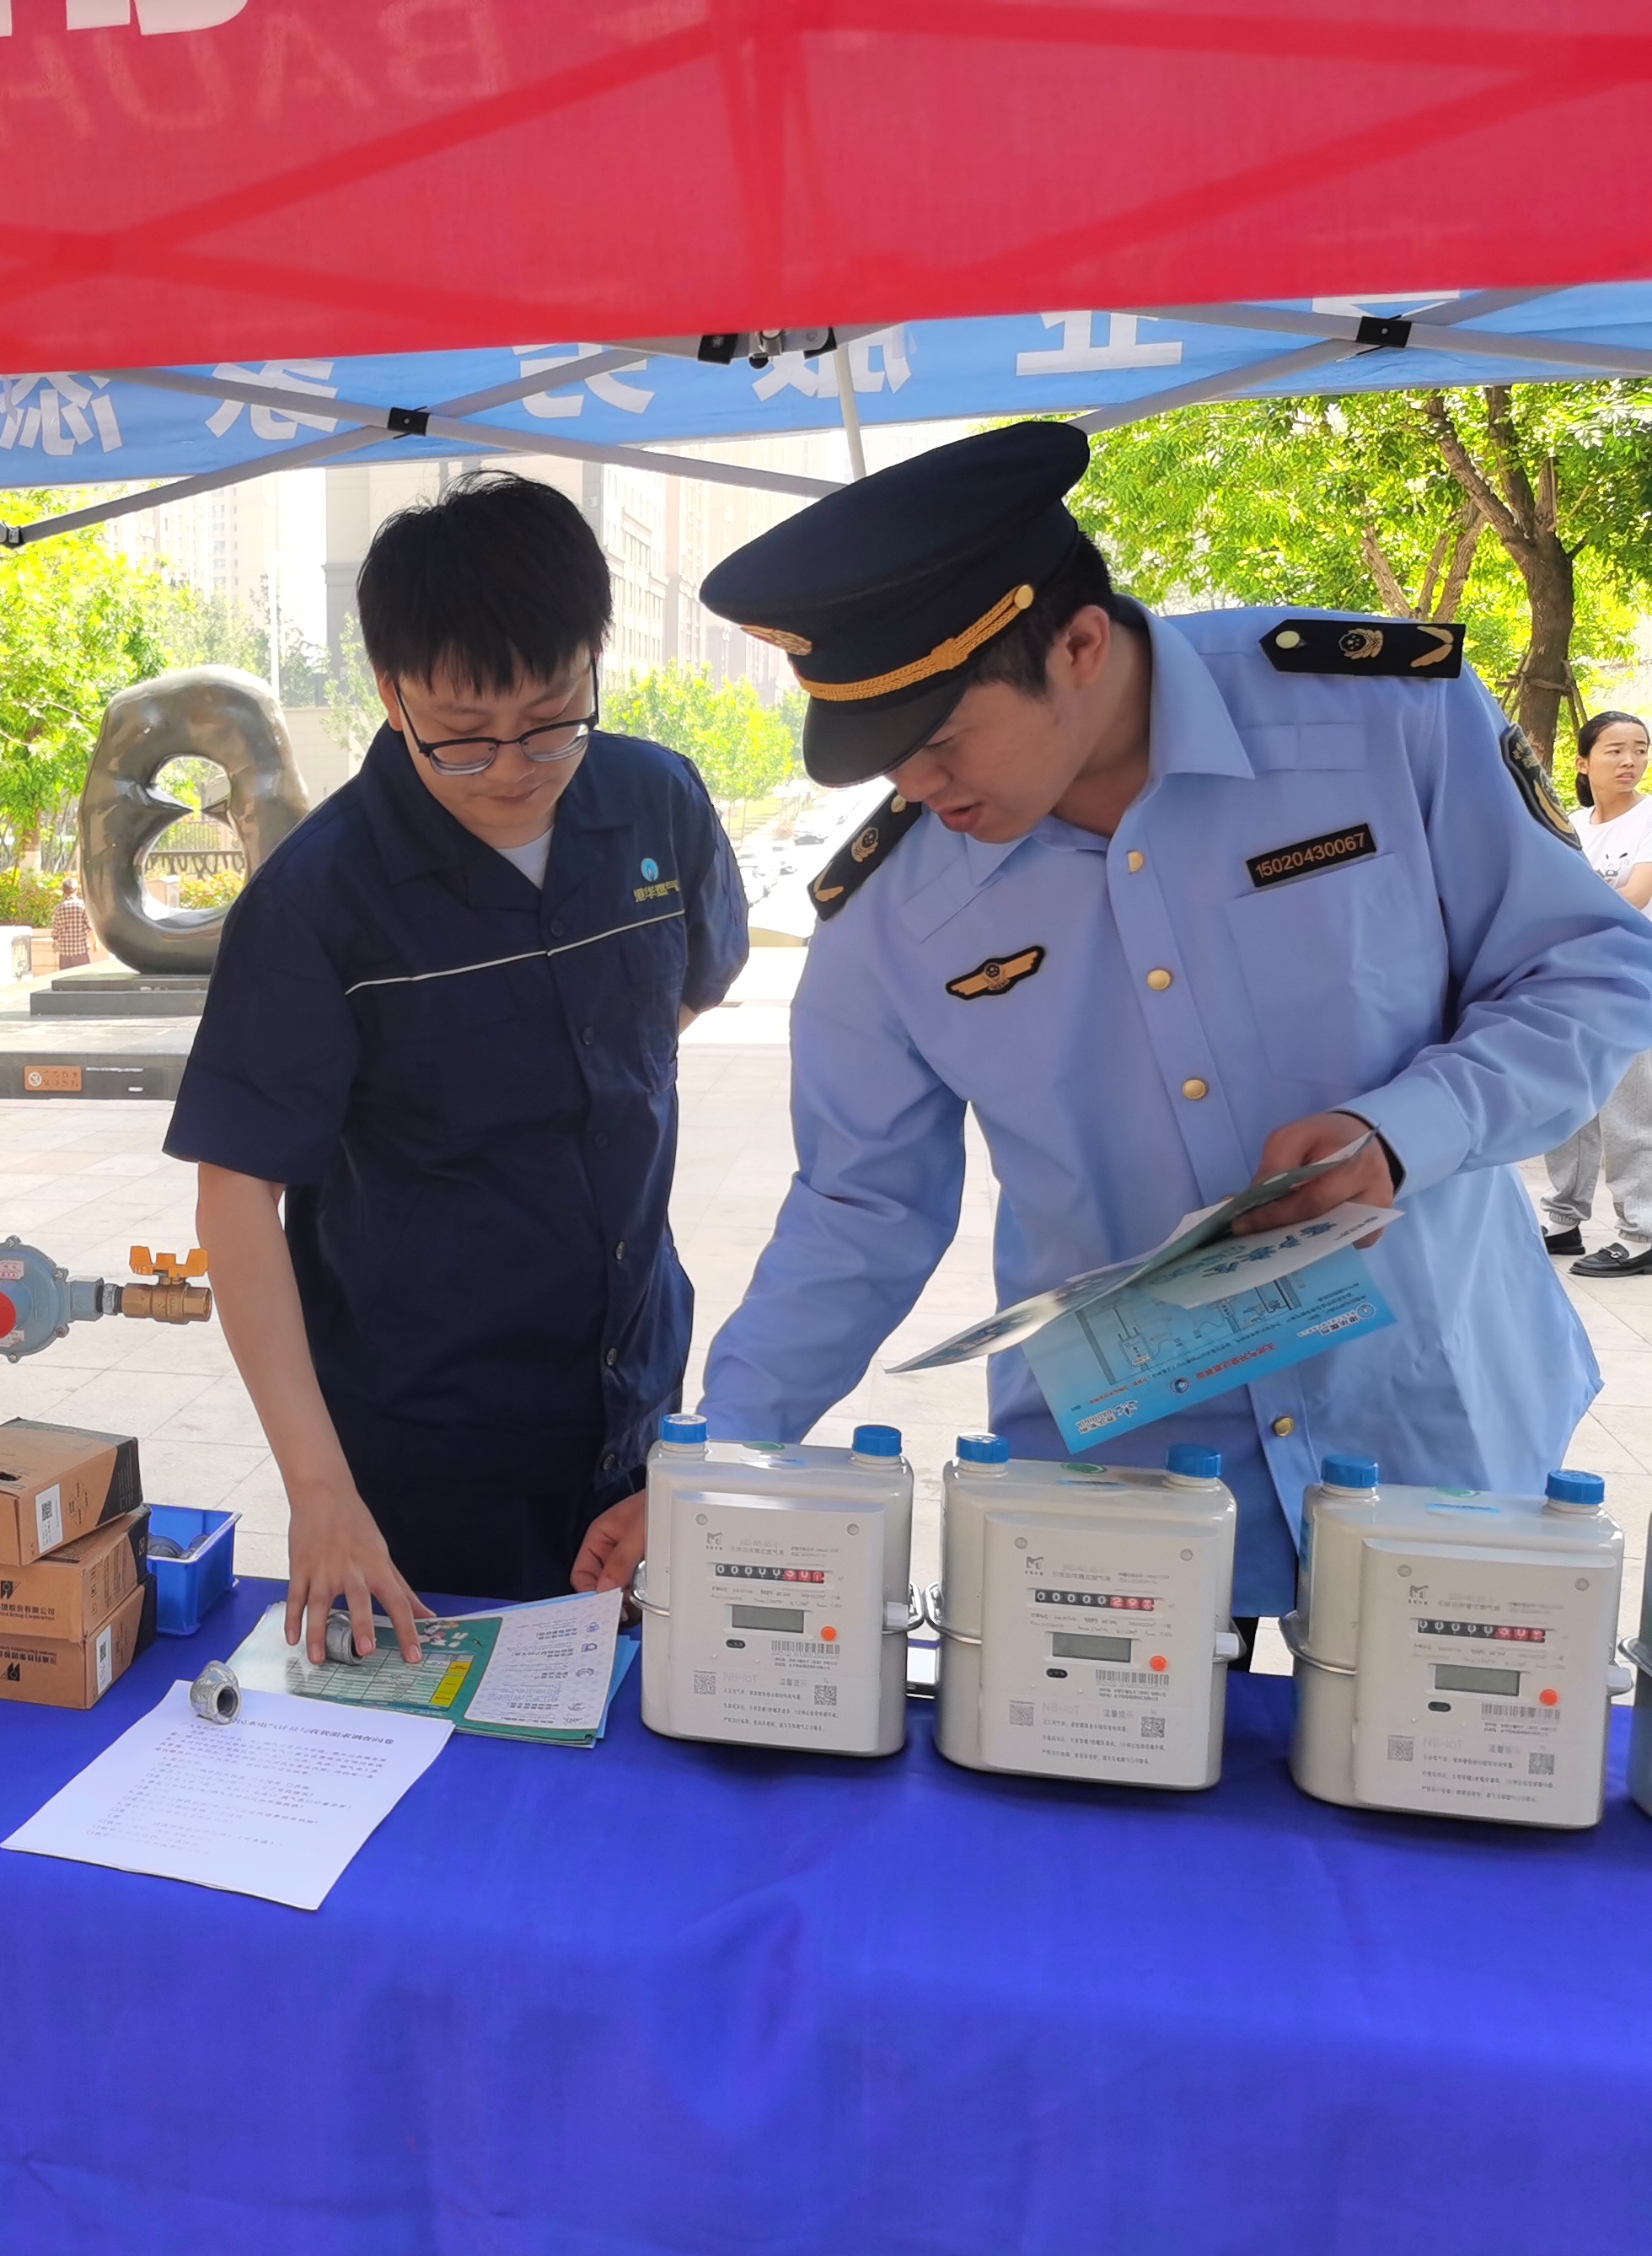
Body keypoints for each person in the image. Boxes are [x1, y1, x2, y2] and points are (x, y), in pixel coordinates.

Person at [573, 422, 1652, 1632]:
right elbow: (859, 1207)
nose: (917, 789)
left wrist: (1407, 1131)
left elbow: (1589, 969)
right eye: (886, 761)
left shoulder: (1379, 719)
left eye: (938, 740)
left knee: (1443, 1748)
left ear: (1080, 645)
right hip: (1120, 1488)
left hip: (1429, 1420)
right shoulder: (891, 910)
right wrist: (717, 1452)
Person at [167, 473, 749, 1660]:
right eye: (464, 734)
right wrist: (321, 1492)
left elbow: (684, 995)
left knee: (643, 1718)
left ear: (594, 658)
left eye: (553, 716)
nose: (514, 765)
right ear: (391, 694)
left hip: (636, 1400)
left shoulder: (659, 804)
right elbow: (236, 1192)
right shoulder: (317, 902)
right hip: (426, 1446)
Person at [1539, 709, 1652, 1270]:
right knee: (1568, 1104)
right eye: (1615, 749)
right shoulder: (1572, 825)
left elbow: (1634, 896)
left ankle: (1642, 1232)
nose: (1630, 760)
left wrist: (1565, 910)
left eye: (1640, 749)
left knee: (1627, 1112)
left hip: (1632, 980)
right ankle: (1563, 1220)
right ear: (1583, 762)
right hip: (1575, 980)